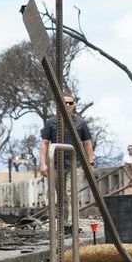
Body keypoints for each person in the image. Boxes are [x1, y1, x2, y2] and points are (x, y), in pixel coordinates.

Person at [39, 93, 94, 225]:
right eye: (65, 102)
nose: (67, 105)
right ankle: (64, 225)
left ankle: (73, 223)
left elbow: (87, 143)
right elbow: (44, 143)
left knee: (71, 193)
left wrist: (91, 163)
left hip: (76, 164)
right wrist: (43, 164)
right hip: (56, 165)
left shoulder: (80, 122)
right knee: (61, 195)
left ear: (74, 105)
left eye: (70, 103)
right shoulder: (51, 122)